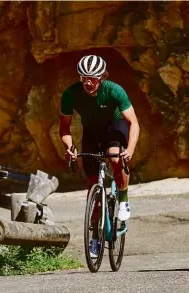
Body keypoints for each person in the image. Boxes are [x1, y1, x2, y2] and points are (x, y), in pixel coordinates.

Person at [59, 55, 140, 258]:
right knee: (92, 184)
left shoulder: (114, 90)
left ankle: (123, 199)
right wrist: (70, 146)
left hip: (115, 126)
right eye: (84, 77)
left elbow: (134, 124)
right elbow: (64, 128)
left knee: (114, 158)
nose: (88, 82)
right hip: (91, 132)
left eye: (93, 78)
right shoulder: (71, 94)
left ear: (102, 77)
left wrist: (129, 150)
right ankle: (95, 237)